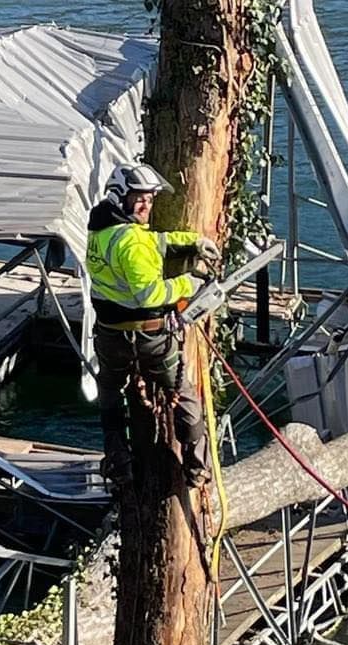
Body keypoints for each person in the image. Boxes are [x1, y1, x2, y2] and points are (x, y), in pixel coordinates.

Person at [85, 162, 221, 488]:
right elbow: (150, 295)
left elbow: (153, 242)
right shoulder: (130, 241)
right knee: (184, 395)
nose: (146, 205)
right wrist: (189, 282)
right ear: (122, 198)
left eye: (149, 198)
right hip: (149, 337)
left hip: (109, 335)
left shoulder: (101, 230)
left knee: (109, 392)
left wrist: (191, 241)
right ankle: (197, 467)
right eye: (139, 199)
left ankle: (118, 460)